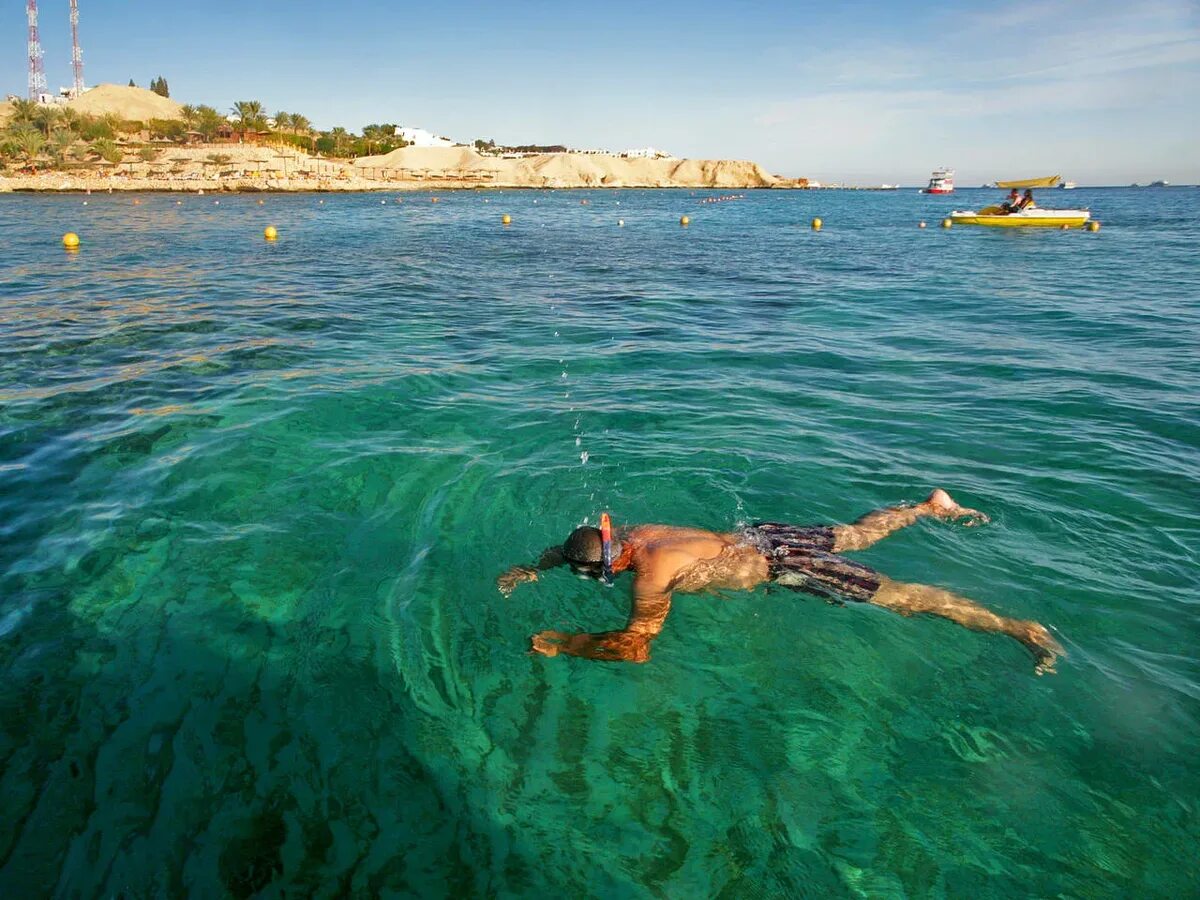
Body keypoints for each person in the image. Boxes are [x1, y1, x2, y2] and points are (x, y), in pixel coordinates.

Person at [497, 490, 1064, 674]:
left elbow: (637, 648)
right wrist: (532, 567)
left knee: (901, 601)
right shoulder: (634, 534)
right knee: (852, 535)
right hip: (763, 537)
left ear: (605, 569)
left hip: (783, 568)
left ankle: (1017, 627)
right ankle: (925, 506)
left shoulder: (648, 579)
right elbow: (570, 548)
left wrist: (564, 643)